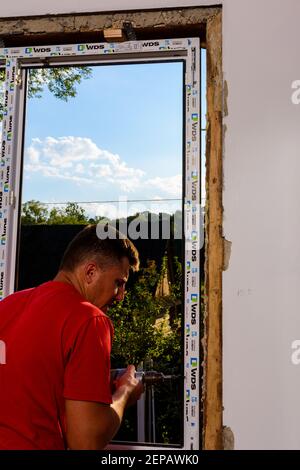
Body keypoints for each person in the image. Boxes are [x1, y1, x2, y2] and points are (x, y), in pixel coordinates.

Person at [0, 224, 144, 450]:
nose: (120, 297)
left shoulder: (8, 305)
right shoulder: (89, 319)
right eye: (119, 283)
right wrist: (125, 391)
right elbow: (85, 443)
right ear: (90, 272)